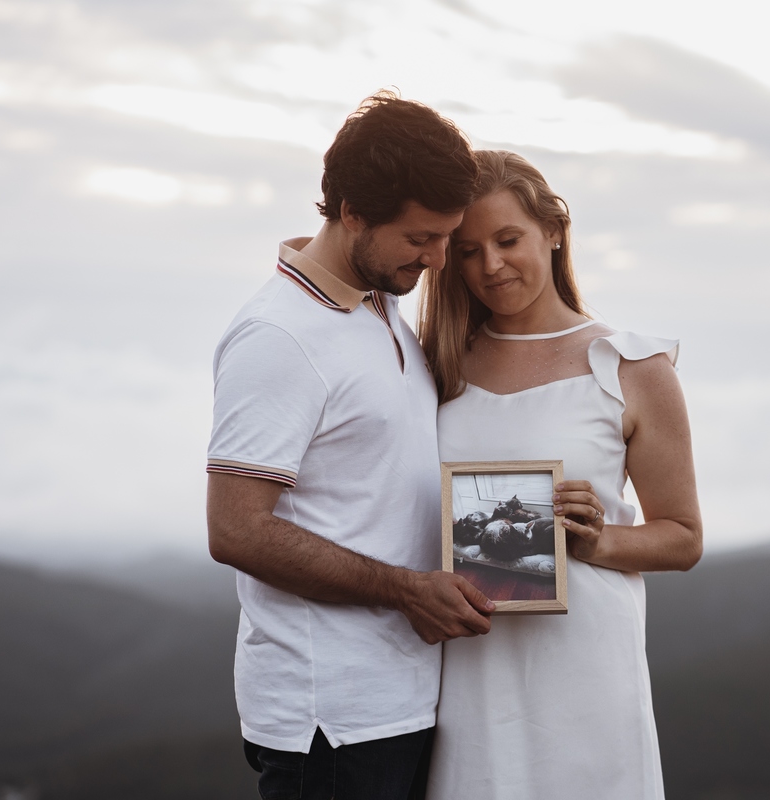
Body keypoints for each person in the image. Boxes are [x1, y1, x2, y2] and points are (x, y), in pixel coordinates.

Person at [205, 92, 497, 800]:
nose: (437, 258)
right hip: (328, 720)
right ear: (351, 214)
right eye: (420, 238)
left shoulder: (382, 311)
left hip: (399, 701)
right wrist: (406, 591)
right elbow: (235, 530)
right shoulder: (279, 337)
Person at [418, 150, 703, 799]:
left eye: (507, 239)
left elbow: (683, 537)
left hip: (585, 668)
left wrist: (599, 539)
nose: (489, 265)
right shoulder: (435, 367)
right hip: (468, 663)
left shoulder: (631, 367)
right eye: (467, 249)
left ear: (552, 230)